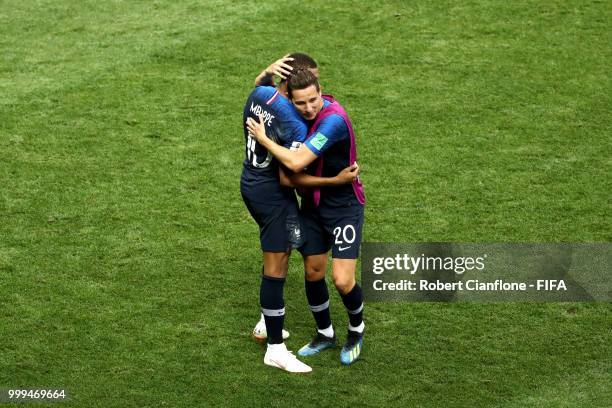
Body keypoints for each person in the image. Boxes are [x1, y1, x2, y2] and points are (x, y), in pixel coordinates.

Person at [241, 55, 359, 373]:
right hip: (274, 196)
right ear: (289, 88)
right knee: (276, 264)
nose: (310, 102)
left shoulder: (261, 93)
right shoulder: (293, 123)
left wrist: (266, 72)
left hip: (250, 183)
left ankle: (269, 321)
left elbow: (260, 85)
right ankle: (275, 347)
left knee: (290, 248)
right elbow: (290, 170)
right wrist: (336, 180)